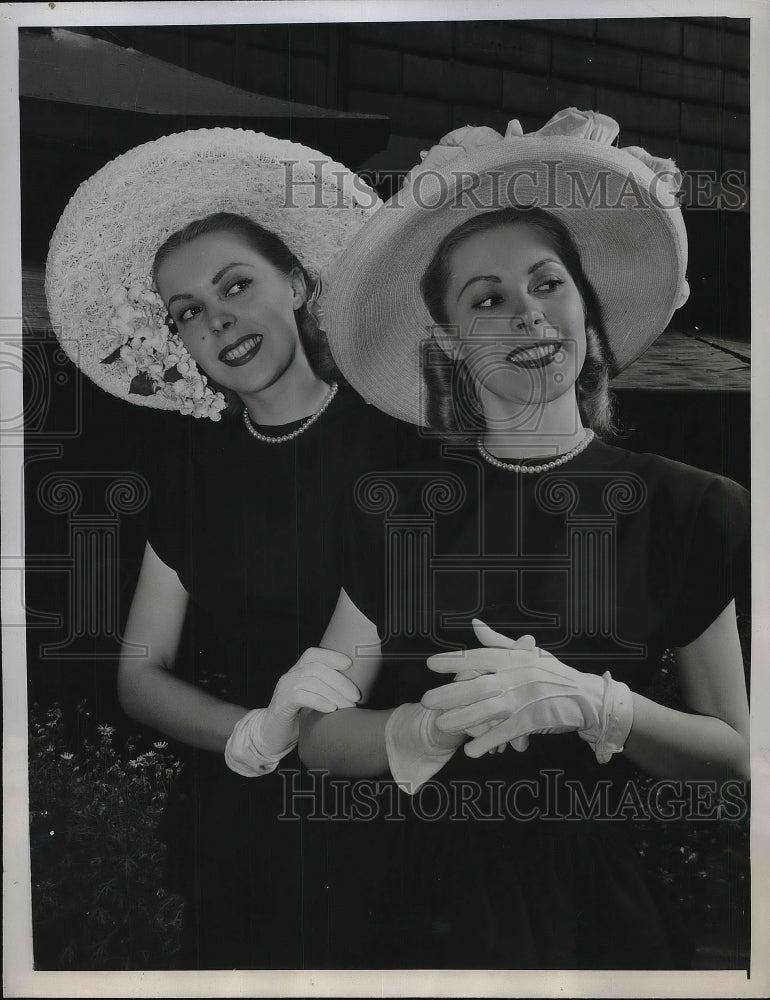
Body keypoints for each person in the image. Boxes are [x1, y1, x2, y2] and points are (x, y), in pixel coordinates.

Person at [299, 109, 751, 969]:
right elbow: (320, 739)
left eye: (548, 284)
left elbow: (738, 760)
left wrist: (597, 703)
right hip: (418, 918)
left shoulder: (689, 509)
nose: (527, 317)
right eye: (487, 299)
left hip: (597, 920)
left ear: (588, 307)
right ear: (451, 344)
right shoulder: (399, 509)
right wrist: (422, 728)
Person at [44, 128, 423, 969]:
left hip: (397, 808)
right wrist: (248, 732)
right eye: (187, 313)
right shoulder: (187, 476)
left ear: (296, 283)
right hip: (246, 823)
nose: (217, 321)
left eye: (236, 286)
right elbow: (139, 673)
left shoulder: (402, 443)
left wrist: (314, 725)